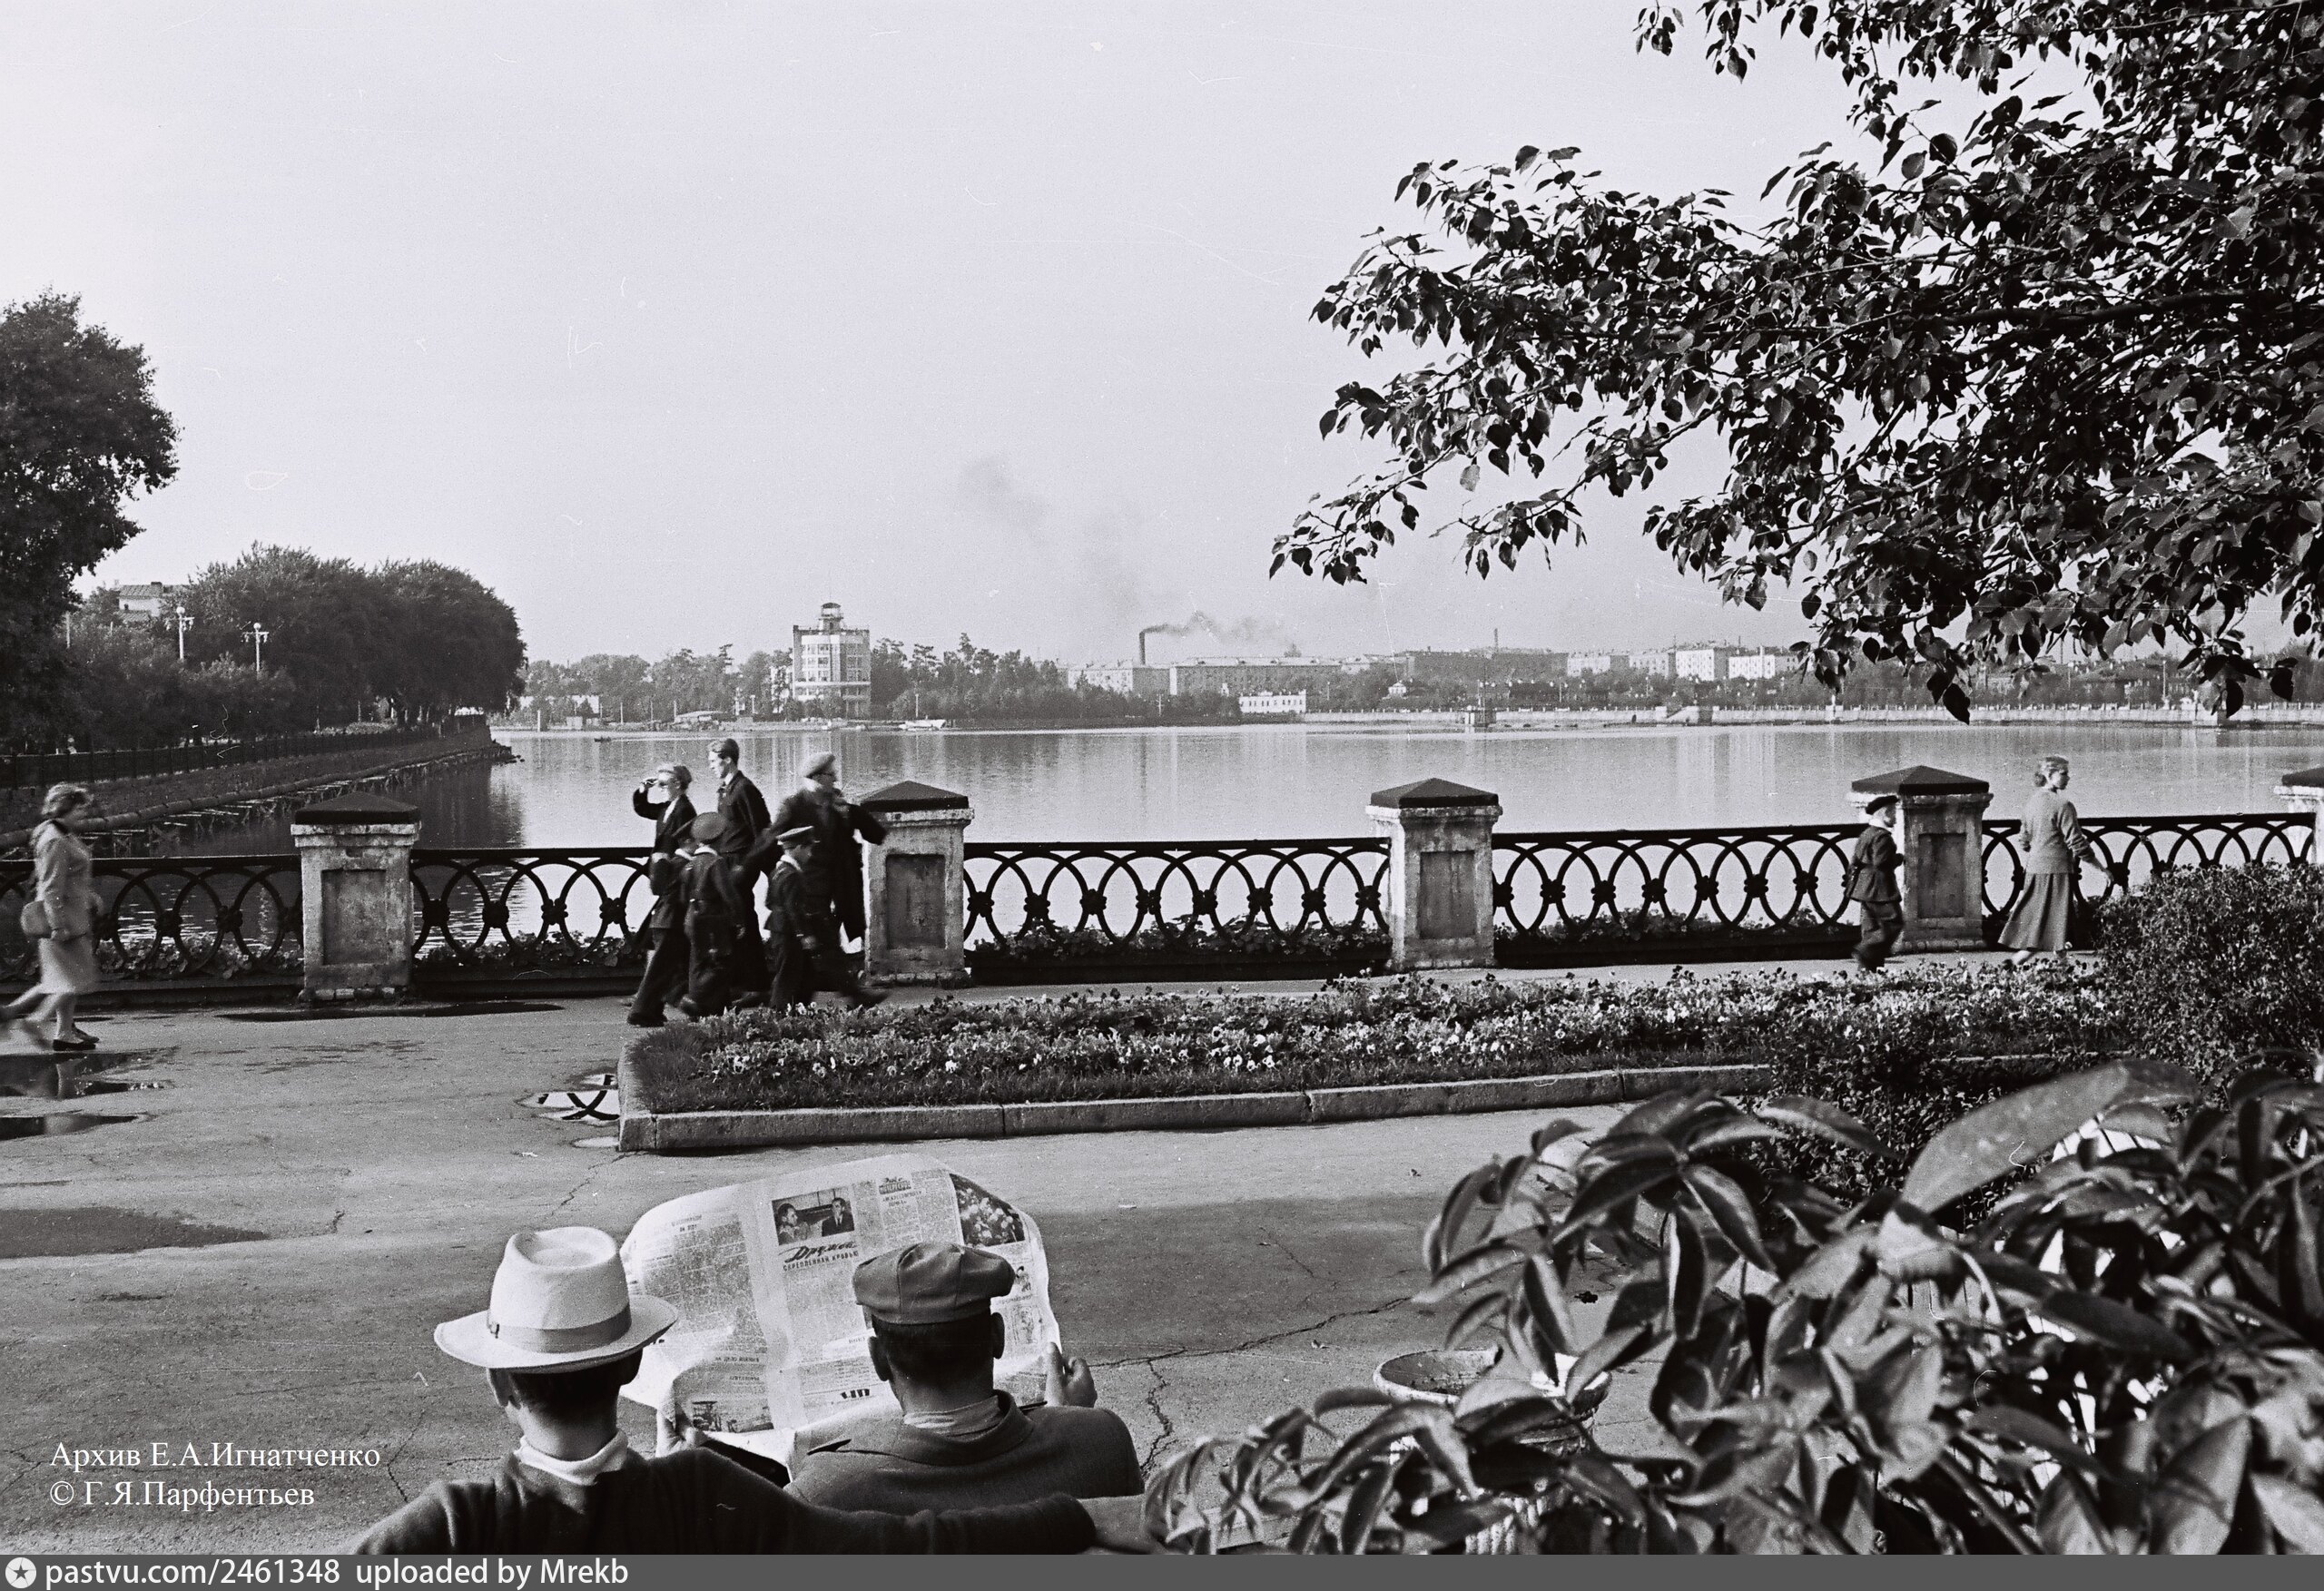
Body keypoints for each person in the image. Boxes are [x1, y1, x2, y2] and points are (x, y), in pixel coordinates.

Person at [348, 1226, 1155, 1553]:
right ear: (629, 1366)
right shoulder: (704, 1493)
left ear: (499, 1381)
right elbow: (910, 1543)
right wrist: (1076, 1513)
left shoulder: (456, 1522)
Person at [787, 1242, 1143, 1515]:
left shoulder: (822, 1494)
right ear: (998, 1337)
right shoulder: (1103, 1441)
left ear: (879, 1359)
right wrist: (1068, 1421)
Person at [7, 785, 103, 1053]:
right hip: (63, 920)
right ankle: (36, 1021)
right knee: (73, 979)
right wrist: (58, 925)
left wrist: (90, 896)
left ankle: (62, 1031)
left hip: (71, 915)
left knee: (63, 978)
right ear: (64, 809)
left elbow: (70, 877)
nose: (84, 813)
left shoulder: (61, 834)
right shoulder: (55, 840)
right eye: (80, 808)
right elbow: (51, 887)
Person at [769, 752, 888, 949]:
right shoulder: (794, 805)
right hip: (809, 886)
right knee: (818, 940)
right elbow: (771, 842)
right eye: (831, 775)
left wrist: (851, 812)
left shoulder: (839, 807)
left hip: (841, 886)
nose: (836, 779)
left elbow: (877, 835)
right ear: (817, 778)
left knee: (832, 939)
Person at [764, 826, 883, 1010]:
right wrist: (804, 934)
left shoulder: (778, 870)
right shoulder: (791, 874)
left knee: (804, 972)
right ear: (798, 848)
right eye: (808, 849)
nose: (810, 854)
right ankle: (778, 1012)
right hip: (789, 933)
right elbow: (793, 909)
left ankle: (797, 1008)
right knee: (788, 974)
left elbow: (769, 902)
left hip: (783, 929)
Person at [2002, 754, 2100, 966]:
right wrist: (2100, 868)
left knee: (2041, 919)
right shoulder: (2063, 805)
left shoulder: (2032, 803)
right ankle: (2021, 961)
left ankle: (2026, 961)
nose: (2068, 778)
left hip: (2034, 869)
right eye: (2063, 773)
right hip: (2057, 870)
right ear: (2049, 775)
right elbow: (2076, 842)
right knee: (2056, 920)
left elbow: (2024, 840)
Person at [626, 766, 696, 1028]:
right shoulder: (667, 807)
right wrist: (642, 790)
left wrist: (672, 867)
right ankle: (658, 1000)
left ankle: (653, 1001)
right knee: (662, 940)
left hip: (674, 875)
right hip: (666, 876)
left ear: (678, 784)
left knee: (662, 939)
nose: (661, 789)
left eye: (664, 785)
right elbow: (643, 809)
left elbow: (687, 841)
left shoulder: (684, 810)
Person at [707, 739, 772, 1004]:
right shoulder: (726, 789)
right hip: (727, 863)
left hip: (740, 865)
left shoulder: (745, 789)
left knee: (744, 921)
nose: (711, 766)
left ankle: (757, 986)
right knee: (733, 922)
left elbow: (762, 832)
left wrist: (747, 866)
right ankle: (741, 983)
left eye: (714, 761)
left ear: (728, 760)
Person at [678, 812, 743, 1018]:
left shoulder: (691, 863)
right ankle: (695, 1000)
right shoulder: (715, 863)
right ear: (720, 838)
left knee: (698, 963)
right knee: (721, 963)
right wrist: (739, 919)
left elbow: (683, 896)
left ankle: (715, 1008)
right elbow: (728, 894)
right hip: (713, 918)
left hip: (692, 916)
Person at [1847, 794, 1905, 975]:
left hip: (1863, 888)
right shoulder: (1882, 837)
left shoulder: (1866, 834)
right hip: (1880, 889)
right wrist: (1898, 858)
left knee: (1870, 927)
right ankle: (1864, 951)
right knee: (1893, 922)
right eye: (1893, 813)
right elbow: (1881, 862)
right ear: (1885, 813)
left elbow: (1854, 860)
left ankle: (1868, 971)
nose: (1895, 818)